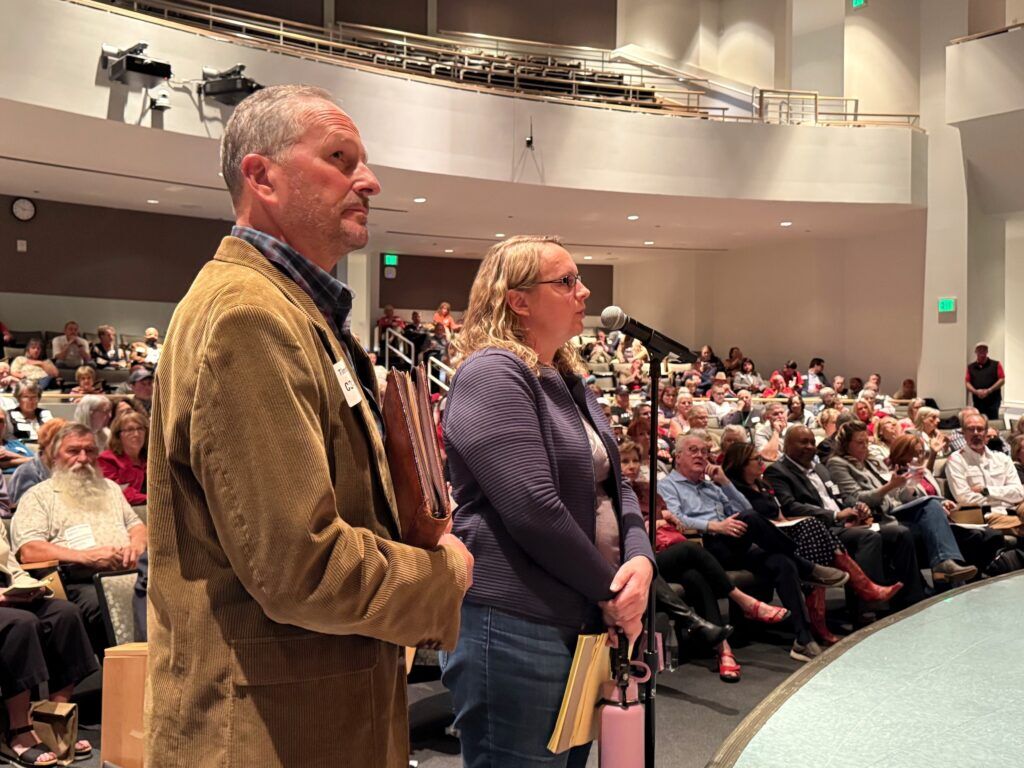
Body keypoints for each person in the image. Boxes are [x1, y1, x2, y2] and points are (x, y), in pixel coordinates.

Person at [146, 85, 472, 768]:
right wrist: (442, 576)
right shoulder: (250, 317)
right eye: (340, 157)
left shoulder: (298, 312)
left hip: (313, 718)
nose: (370, 180)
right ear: (261, 176)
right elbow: (302, 567)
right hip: (270, 735)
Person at [441, 235, 654, 766]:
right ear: (518, 299)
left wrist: (641, 563)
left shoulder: (566, 378)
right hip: (514, 624)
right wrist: (611, 591)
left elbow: (618, 486)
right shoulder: (491, 372)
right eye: (566, 282)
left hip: (576, 616)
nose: (583, 292)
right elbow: (531, 507)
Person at [661, 434, 848, 662]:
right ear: (677, 457)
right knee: (752, 521)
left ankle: (803, 638)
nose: (700, 455)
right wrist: (716, 526)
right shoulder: (667, 486)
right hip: (704, 547)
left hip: (734, 544)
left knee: (782, 561)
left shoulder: (712, 486)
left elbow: (746, 508)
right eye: (693, 450)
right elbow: (678, 520)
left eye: (704, 451)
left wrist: (726, 483)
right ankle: (807, 567)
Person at [619, 440, 788, 683]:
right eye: (625, 461)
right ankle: (744, 601)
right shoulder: (616, 491)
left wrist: (667, 516)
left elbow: (676, 519)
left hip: (666, 551)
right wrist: (654, 522)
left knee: (695, 576)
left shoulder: (647, 488)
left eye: (636, 461)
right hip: (639, 557)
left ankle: (723, 649)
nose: (632, 466)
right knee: (690, 550)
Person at [723, 441, 901, 645]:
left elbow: (781, 516)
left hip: (782, 533)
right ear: (741, 463)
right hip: (757, 541)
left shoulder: (764, 484)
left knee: (812, 534)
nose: (761, 462)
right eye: (756, 459)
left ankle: (820, 620)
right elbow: (749, 516)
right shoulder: (734, 489)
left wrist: (789, 522)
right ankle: (861, 587)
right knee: (811, 529)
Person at [12, 423, 148, 656]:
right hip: (78, 581)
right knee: (104, 603)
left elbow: (136, 525)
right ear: (56, 456)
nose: (83, 458)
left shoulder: (110, 489)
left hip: (131, 573)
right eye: (73, 451)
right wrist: (85, 557)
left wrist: (136, 545)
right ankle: (127, 679)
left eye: (90, 451)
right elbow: (29, 549)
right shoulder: (39, 496)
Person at [764, 426, 918, 617]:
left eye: (812, 442)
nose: (810, 446)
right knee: (868, 537)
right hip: (817, 531)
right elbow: (790, 507)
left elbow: (840, 497)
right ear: (787, 445)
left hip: (844, 524)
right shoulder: (777, 471)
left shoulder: (820, 468)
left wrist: (857, 508)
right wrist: (835, 516)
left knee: (899, 533)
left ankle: (911, 600)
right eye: (803, 442)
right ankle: (868, 610)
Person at [827, 422, 977, 585]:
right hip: (876, 515)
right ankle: (944, 567)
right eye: (859, 443)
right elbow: (855, 498)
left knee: (935, 511)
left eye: (867, 442)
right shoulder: (838, 463)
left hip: (895, 506)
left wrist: (908, 485)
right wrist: (891, 486)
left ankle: (948, 574)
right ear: (846, 444)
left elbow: (898, 495)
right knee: (932, 507)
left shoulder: (872, 461)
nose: (865, 447)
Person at [0, 522, 98, 766]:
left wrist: (32, 587)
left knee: (65, 614)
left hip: (5, 595)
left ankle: (53, 721)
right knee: (20, 624)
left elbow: (10, 567)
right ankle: (17, 731)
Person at [888, 434, 1004, 574]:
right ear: (902, 453)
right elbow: (900, 502)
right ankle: (952, 573)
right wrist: (912, 483)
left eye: (920, 452)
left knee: (991, 534)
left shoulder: (924, 471)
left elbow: (935, 496)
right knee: (974, 535)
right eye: (914, 453)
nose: (918, 457)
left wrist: (945, 502)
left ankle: (979, 576)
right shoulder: (894, 475)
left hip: (942, 515)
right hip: (918, 520)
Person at [945, 412, 1024, 518]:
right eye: (971, 429)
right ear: (963, 433)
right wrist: (1005, 496)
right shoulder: (956, 460)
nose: (976, 433)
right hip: (983, 515)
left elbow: (1019, 493)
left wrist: (986, 490)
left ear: (986, 432)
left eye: (980, 429)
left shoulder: (1002, 458)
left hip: (1012, 510)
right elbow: (964, 498)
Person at [9, 419, 65, 507]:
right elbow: (23, 507)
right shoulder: (27, 472)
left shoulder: (66, 469)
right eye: (56, 443)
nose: (60, 448)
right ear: (45, 442)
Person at [98, 412, 149, 506]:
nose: (136, 434)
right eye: (130, 430)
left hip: (152, 509)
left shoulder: (150, 458)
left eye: (140, 429)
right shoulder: (106, 460)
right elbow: (118, 492)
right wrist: (153, 499)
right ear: (118, 435)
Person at [965, 342, 1005, 420]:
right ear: (976, 352)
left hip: (993, 402)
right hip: (978, 401)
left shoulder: (996, 364)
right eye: (980, 350)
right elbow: (967, 382)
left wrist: (989, 390)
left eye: (984, 350)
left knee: (992, 423)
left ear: (987, 351)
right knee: (979, 421)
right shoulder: (970, 367)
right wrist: (976, 392)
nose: (982, 352)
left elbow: (1002, 379)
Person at [0, 409, 34, 475]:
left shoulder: (16, 444)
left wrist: (11, 459)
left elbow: (41, 463)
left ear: (5, 424)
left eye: (0, 421)